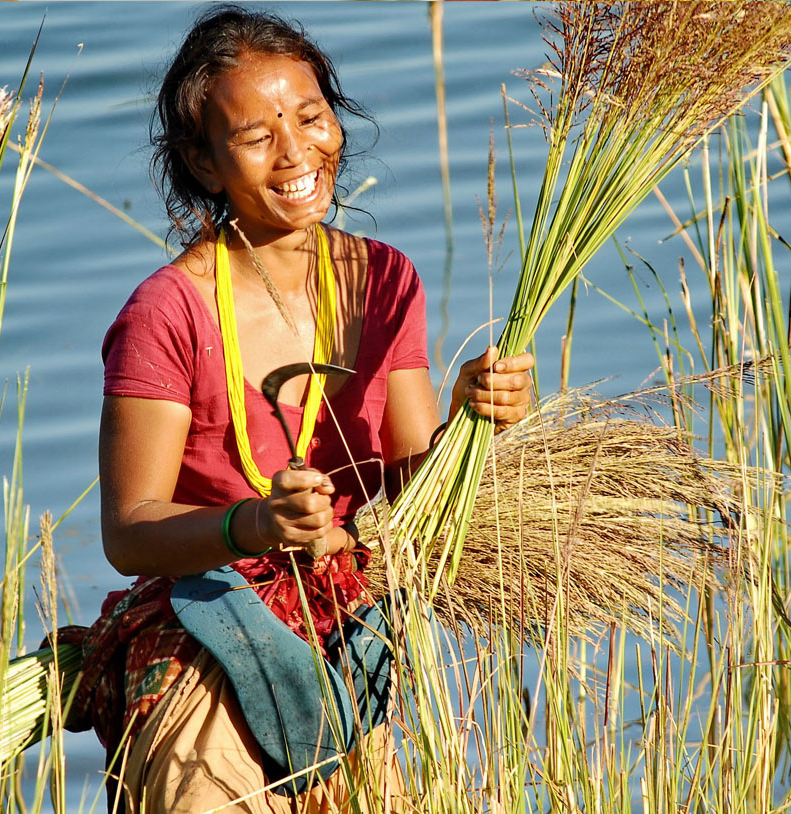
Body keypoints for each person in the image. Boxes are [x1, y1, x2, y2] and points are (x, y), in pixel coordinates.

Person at [82, 6, 534, 812]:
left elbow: (408, 489)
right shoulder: (167, 312)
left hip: (346, 634)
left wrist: (472, 419)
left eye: (311, 117)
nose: (297, 153)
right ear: (204, 161)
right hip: (209, 627)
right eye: (257, 138)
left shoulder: (385, 281)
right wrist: (252, 525)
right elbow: (128, 530)